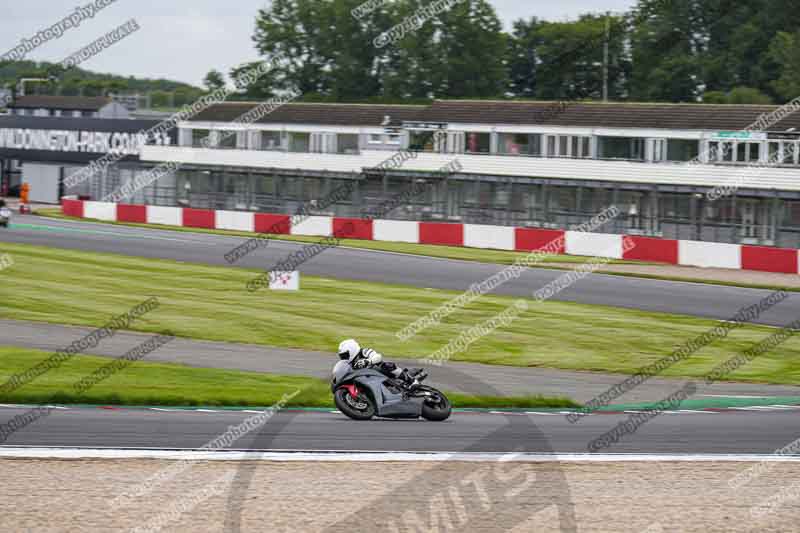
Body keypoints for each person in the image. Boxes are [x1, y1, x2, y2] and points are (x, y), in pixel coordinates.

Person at [337, 339, 423, 387]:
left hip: (380, 373)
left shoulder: (364, 351)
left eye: (345, 355)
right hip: (369, 381)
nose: (344, 358)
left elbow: (378, 357)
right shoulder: (349, 364)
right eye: (342, 356)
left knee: (387, 365)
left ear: (352, 350)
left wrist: (368, 361)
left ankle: (412, 381)